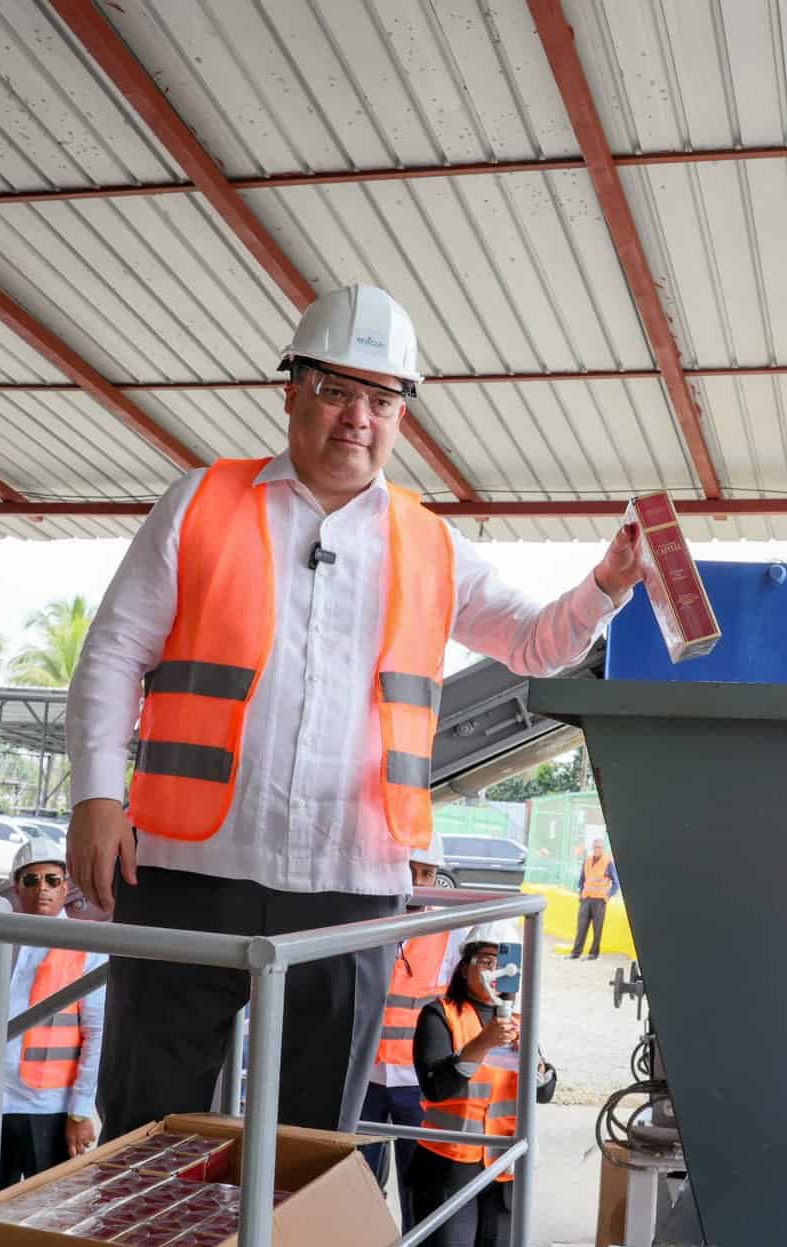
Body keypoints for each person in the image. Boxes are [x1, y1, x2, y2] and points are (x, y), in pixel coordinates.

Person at [67, 283, 637, 1137]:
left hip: (350, 878)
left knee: (313, 1134)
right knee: (149, 1117)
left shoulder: (431, 542)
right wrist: (96, 797)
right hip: (186, 865)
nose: (356, 418)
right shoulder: (200, 503)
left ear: (402, 414)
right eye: (335, 390)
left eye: (381, 398)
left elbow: (533, 642)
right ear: (290, 388)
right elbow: (113, 652)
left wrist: (604, 588)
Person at [403, 937, 555, 1247]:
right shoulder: (441, 1015)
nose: (493, 971)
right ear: (465, 967)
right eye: (484, 962)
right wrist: (483, 1043)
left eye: (501, 963)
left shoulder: (520, 1023)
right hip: (449, 1171)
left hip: (501, 1173)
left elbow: (544, 1090)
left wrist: (538, 1068)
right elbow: (436, 1086)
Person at [0, 840, 105, 1187]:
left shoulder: (87, 948)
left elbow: (97, 1034)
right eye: (31, 880)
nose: (42, 888)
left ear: (66, 886)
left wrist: (79, 1110)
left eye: (52, 880)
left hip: (49, 1109)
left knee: (45, 1217)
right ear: (16, 886)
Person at [360, 839, 461, 1247]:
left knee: (420, 1197)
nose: (418, 884)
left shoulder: (449, 930)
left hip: (417, 1088)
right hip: (363, 1081)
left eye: (427, 873)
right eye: (410, 871)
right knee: (351, 1196)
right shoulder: (364, 921)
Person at [570, 838, 617, 961]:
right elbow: (582, 879)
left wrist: (608, 896)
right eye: (596, 847)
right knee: (581, 927)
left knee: (597, 929)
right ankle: (575, 953)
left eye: (600, 847)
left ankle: (593, 954)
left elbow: (616, 883)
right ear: (593, 847)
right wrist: (581, 893)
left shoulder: (608, 862)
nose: (598, 849)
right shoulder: (587, 860)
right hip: (586, 899)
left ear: (603, 849)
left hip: (599, 901)